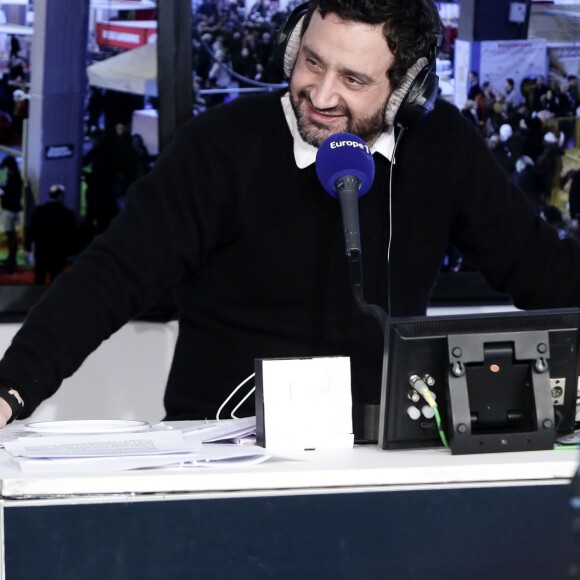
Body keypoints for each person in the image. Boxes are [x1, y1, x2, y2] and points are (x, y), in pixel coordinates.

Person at [1, 0, 580, 428]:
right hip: (223, 452)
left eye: (353, 79)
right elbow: (113, 275)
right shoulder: (219, 146)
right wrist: (10, 389)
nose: (321, 95)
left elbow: (539, 268)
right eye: (311, 62)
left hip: (375, 452)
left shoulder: (443, 149)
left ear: (406, 91)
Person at [24, 184, 79, 285]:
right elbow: (72, 234)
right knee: (57, 279)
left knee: (39, 278)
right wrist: (72, 251)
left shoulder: (39, 211)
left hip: (42, 250)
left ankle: (36, 298)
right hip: (58, 251)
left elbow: (31, 229)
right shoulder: (67, 214)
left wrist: (27, 246)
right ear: (61, 196)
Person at [0, 155, 23, 272]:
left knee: (11, 235)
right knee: (11, 235)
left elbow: (11, 193)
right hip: (12, 209)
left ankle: (12, 260)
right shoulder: (15, 175)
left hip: (10, 209)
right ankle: (11, 258)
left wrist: (3, 191)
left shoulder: (14, 177)